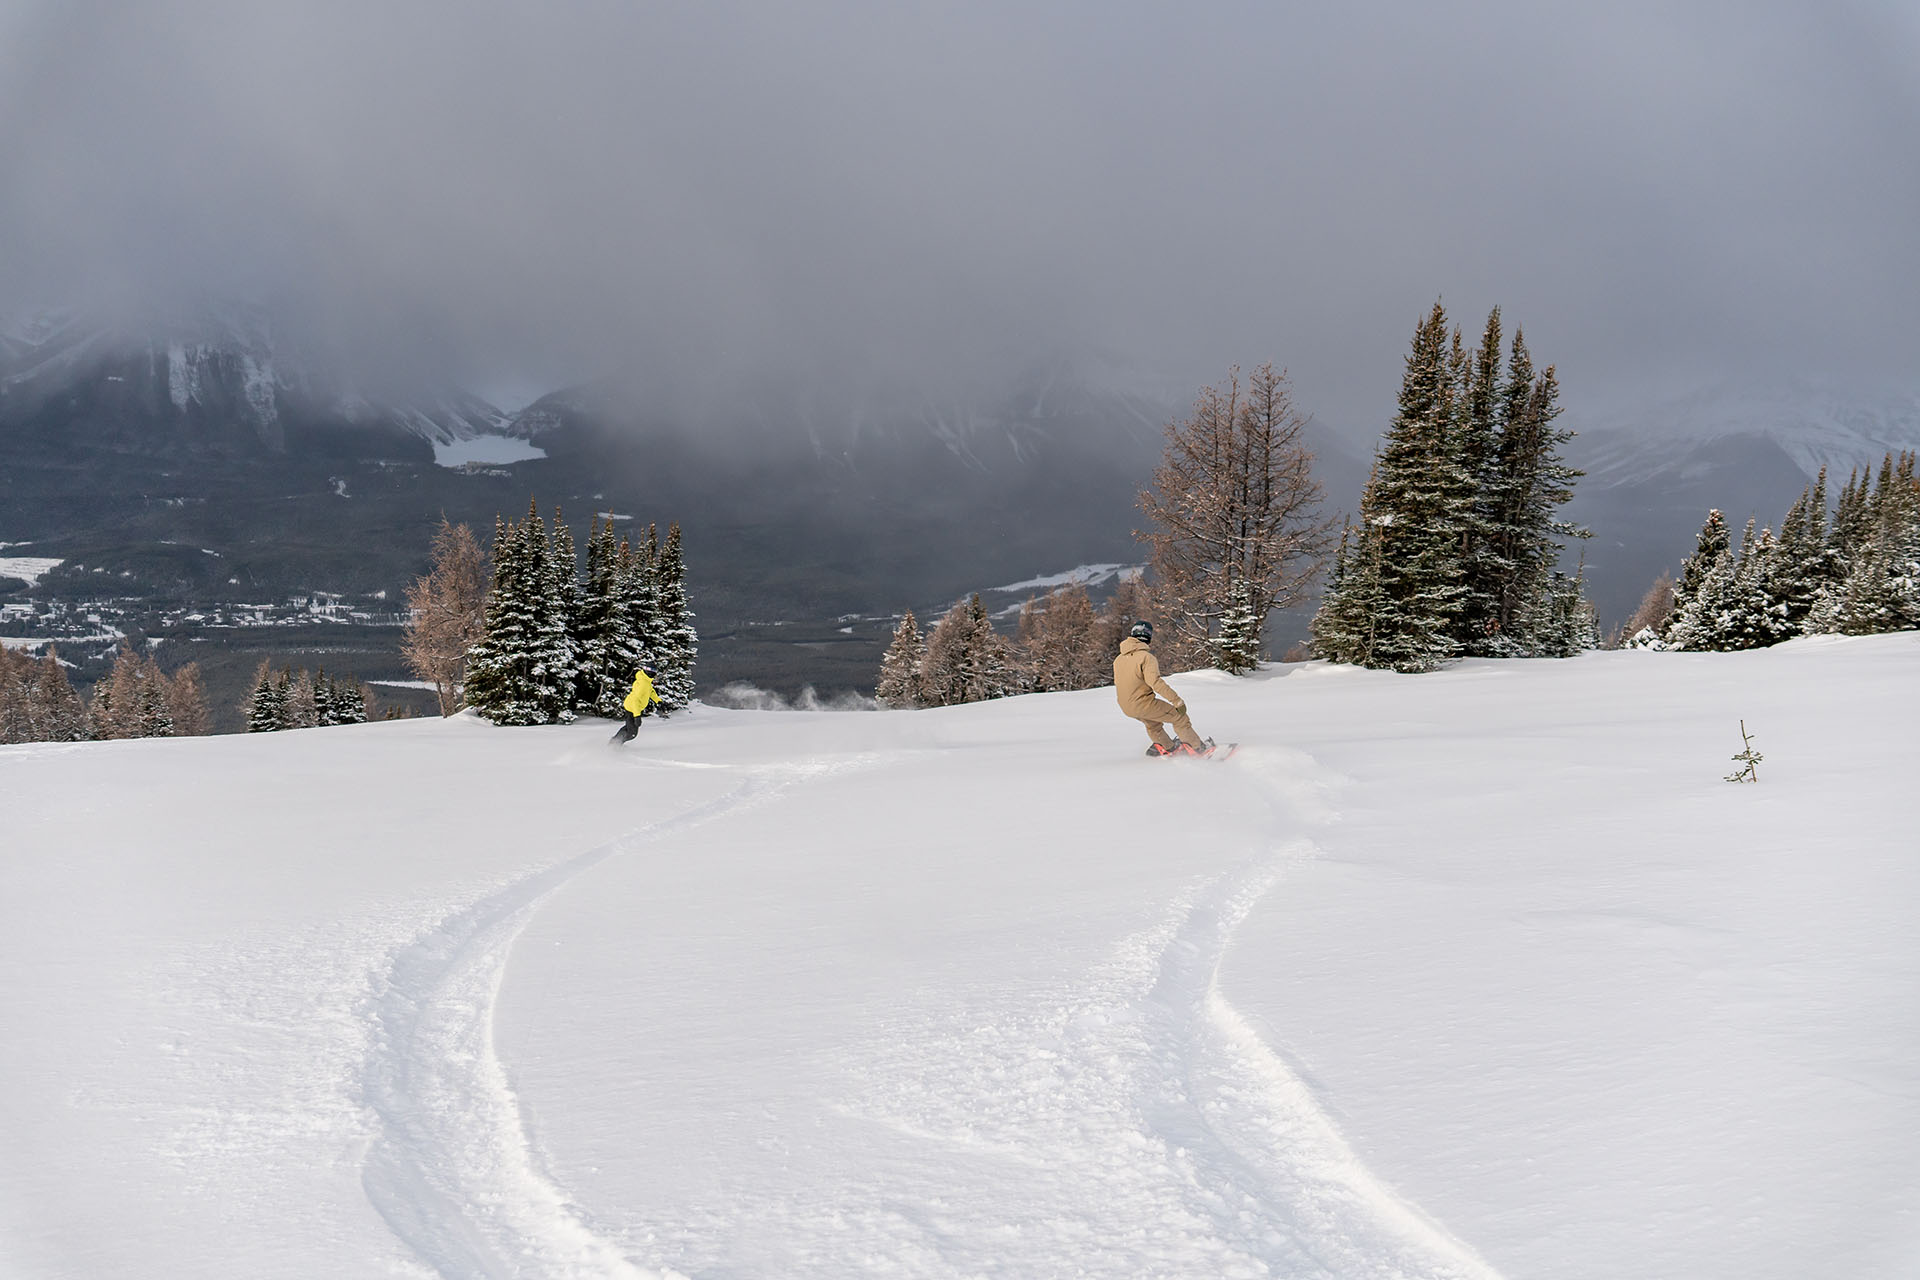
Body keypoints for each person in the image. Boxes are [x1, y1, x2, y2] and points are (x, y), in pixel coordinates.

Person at [1112, 620, 1215, 757]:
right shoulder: (1146, 657)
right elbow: (1155, 682)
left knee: (1153, 724)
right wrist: (1176, 701)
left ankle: (1167, 747)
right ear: (1148, 636)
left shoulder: (1118, 660)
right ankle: (1198, 749)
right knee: (1179, 718)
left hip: (1126, 706)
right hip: (1143, 704)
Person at [611, 663, 660, 745]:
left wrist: (658, 701)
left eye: (655, 670)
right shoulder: (643, 683)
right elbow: (635, 700)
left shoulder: (646, 681)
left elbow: (651, 691)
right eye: (651, 670)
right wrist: (637, 716)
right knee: (632, 733)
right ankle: (615, 744)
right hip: (632, 708)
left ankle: (615, 742)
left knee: (629, 729)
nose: (653, 673)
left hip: (633, 707)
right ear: (647, 670)